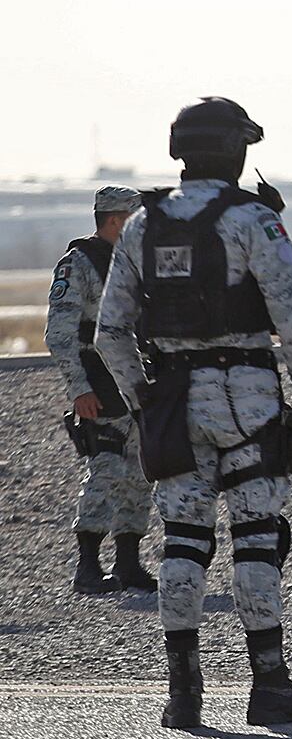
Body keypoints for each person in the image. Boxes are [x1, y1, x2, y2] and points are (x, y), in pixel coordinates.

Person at [94, 98, 292, 729]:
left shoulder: (142, 224)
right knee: (254, 532)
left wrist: (143, 398)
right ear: (238, 151)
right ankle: (270, 684)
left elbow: (109, 332)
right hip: (246, 393)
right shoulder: (252, 218)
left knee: (184, 537)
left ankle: (184, 692)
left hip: (171, 398)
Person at [47, 185, 156, 596]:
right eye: (134, 217)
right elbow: (59, 334)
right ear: (114, 220)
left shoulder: (134, 261)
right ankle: (88, 566)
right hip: (100, 383)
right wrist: (79, 389)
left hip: (137, 380)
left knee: (142, 472)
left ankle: (128, 563)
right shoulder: (79, 264)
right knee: (106, 471)